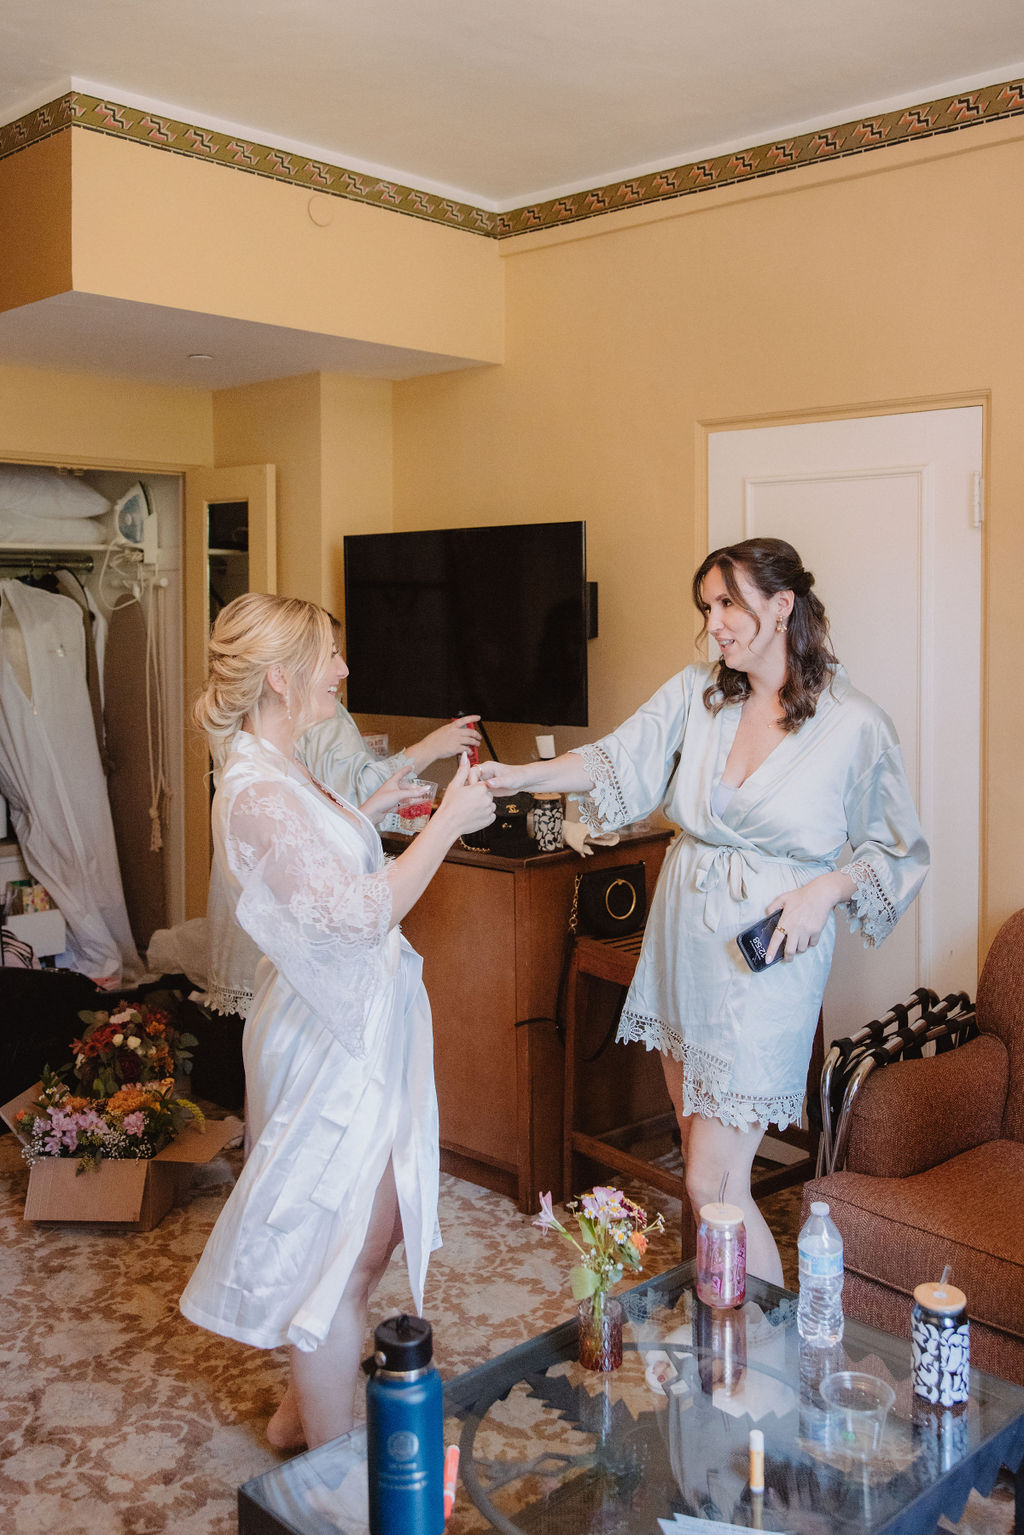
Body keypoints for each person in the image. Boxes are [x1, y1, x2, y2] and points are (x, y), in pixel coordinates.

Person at [480, 537, 928, 1284]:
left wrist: (825, 889)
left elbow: (896, 848)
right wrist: (516, 775)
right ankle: (727, 1351)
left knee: (712, 1184)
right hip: (684, 942)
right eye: (707, 606)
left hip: (767, 955)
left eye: (729, 603)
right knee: (703, 1167)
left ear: (783, 605)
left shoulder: (855, 724)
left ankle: (774, 1358)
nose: (714, 622)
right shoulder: (700, 694)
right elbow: (617, 760)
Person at [179, 592, 494, 1451]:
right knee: (339, 1261)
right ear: (280, 678)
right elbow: (358, 915)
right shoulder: (249, 790)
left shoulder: (280, 764)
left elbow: (320, 851)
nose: (345, 672)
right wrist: (449, 826)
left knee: (370, 1234)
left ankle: (290, 1418)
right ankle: (328, 1472)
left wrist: (380, 807)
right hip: (327, 1038)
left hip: (358, 1023)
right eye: (330, 657)